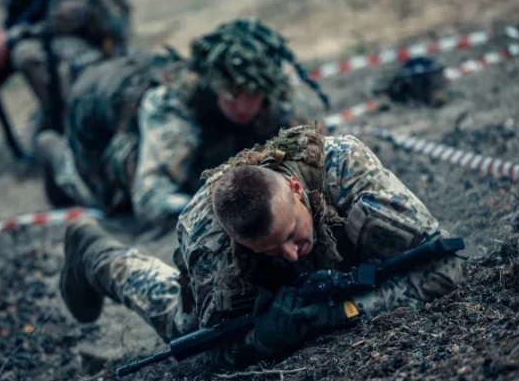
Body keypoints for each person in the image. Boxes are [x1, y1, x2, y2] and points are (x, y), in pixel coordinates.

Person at [58, 124, 464, 369]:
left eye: (291, 236)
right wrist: (262, 341)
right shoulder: (209, 242)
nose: (289, 254)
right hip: (256, 291)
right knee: (178, 323)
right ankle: (93, 254)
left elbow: (445, 267)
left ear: (294, 189)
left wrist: (345, 311)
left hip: (350, 252)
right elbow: (210, 352)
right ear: (236, 240)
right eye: (270, 250)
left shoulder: (347, 172)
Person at [37, 18, 330, 230]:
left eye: (252, 96)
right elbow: (151, 201)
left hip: (129, 83)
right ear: (214, 86)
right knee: (107, 197)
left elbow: (321, 152)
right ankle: (53, 152)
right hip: (93, 109)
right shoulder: (174, 109)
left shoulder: (276, 95)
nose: (242, 107)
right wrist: (225, 207)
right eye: (231, 95)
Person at [0, 0, 132, 147]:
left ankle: (78, 125)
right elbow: (14, 9)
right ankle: (59, 117)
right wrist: (3, 46)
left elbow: (71, 14)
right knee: (35, 152)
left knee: (27, 55)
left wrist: (15, 37)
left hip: (96, 39)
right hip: (58, 36)